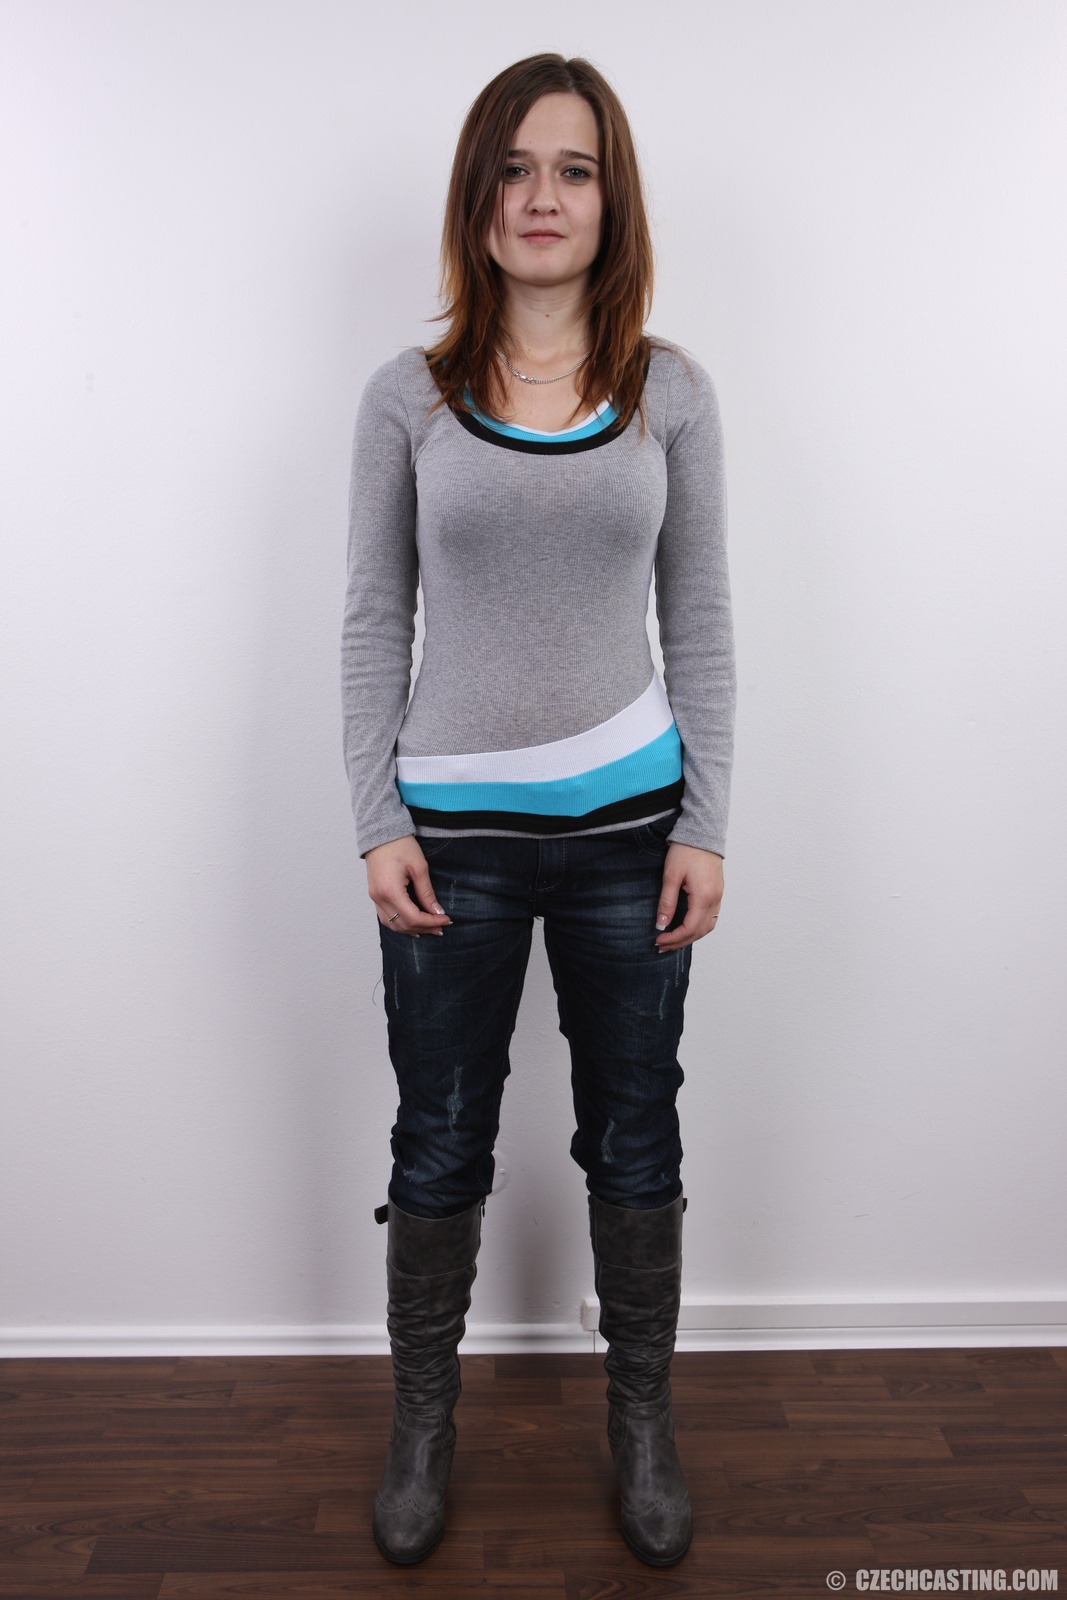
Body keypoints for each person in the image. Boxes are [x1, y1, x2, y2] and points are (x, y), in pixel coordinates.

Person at [341, 52, 735, 1569]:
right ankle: (421, 1426)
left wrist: (707, 823)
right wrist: (376, 817)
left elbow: (700, 620)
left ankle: (642, 1423)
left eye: (573, 169)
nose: (542, 197)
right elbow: (374, 620)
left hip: (635, 836)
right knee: (441, 1137)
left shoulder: (671, 391)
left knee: (635, 1135)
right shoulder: (409, 396)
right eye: (514, 168)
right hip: (451, 846)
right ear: (478, 196)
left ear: (610, 196)